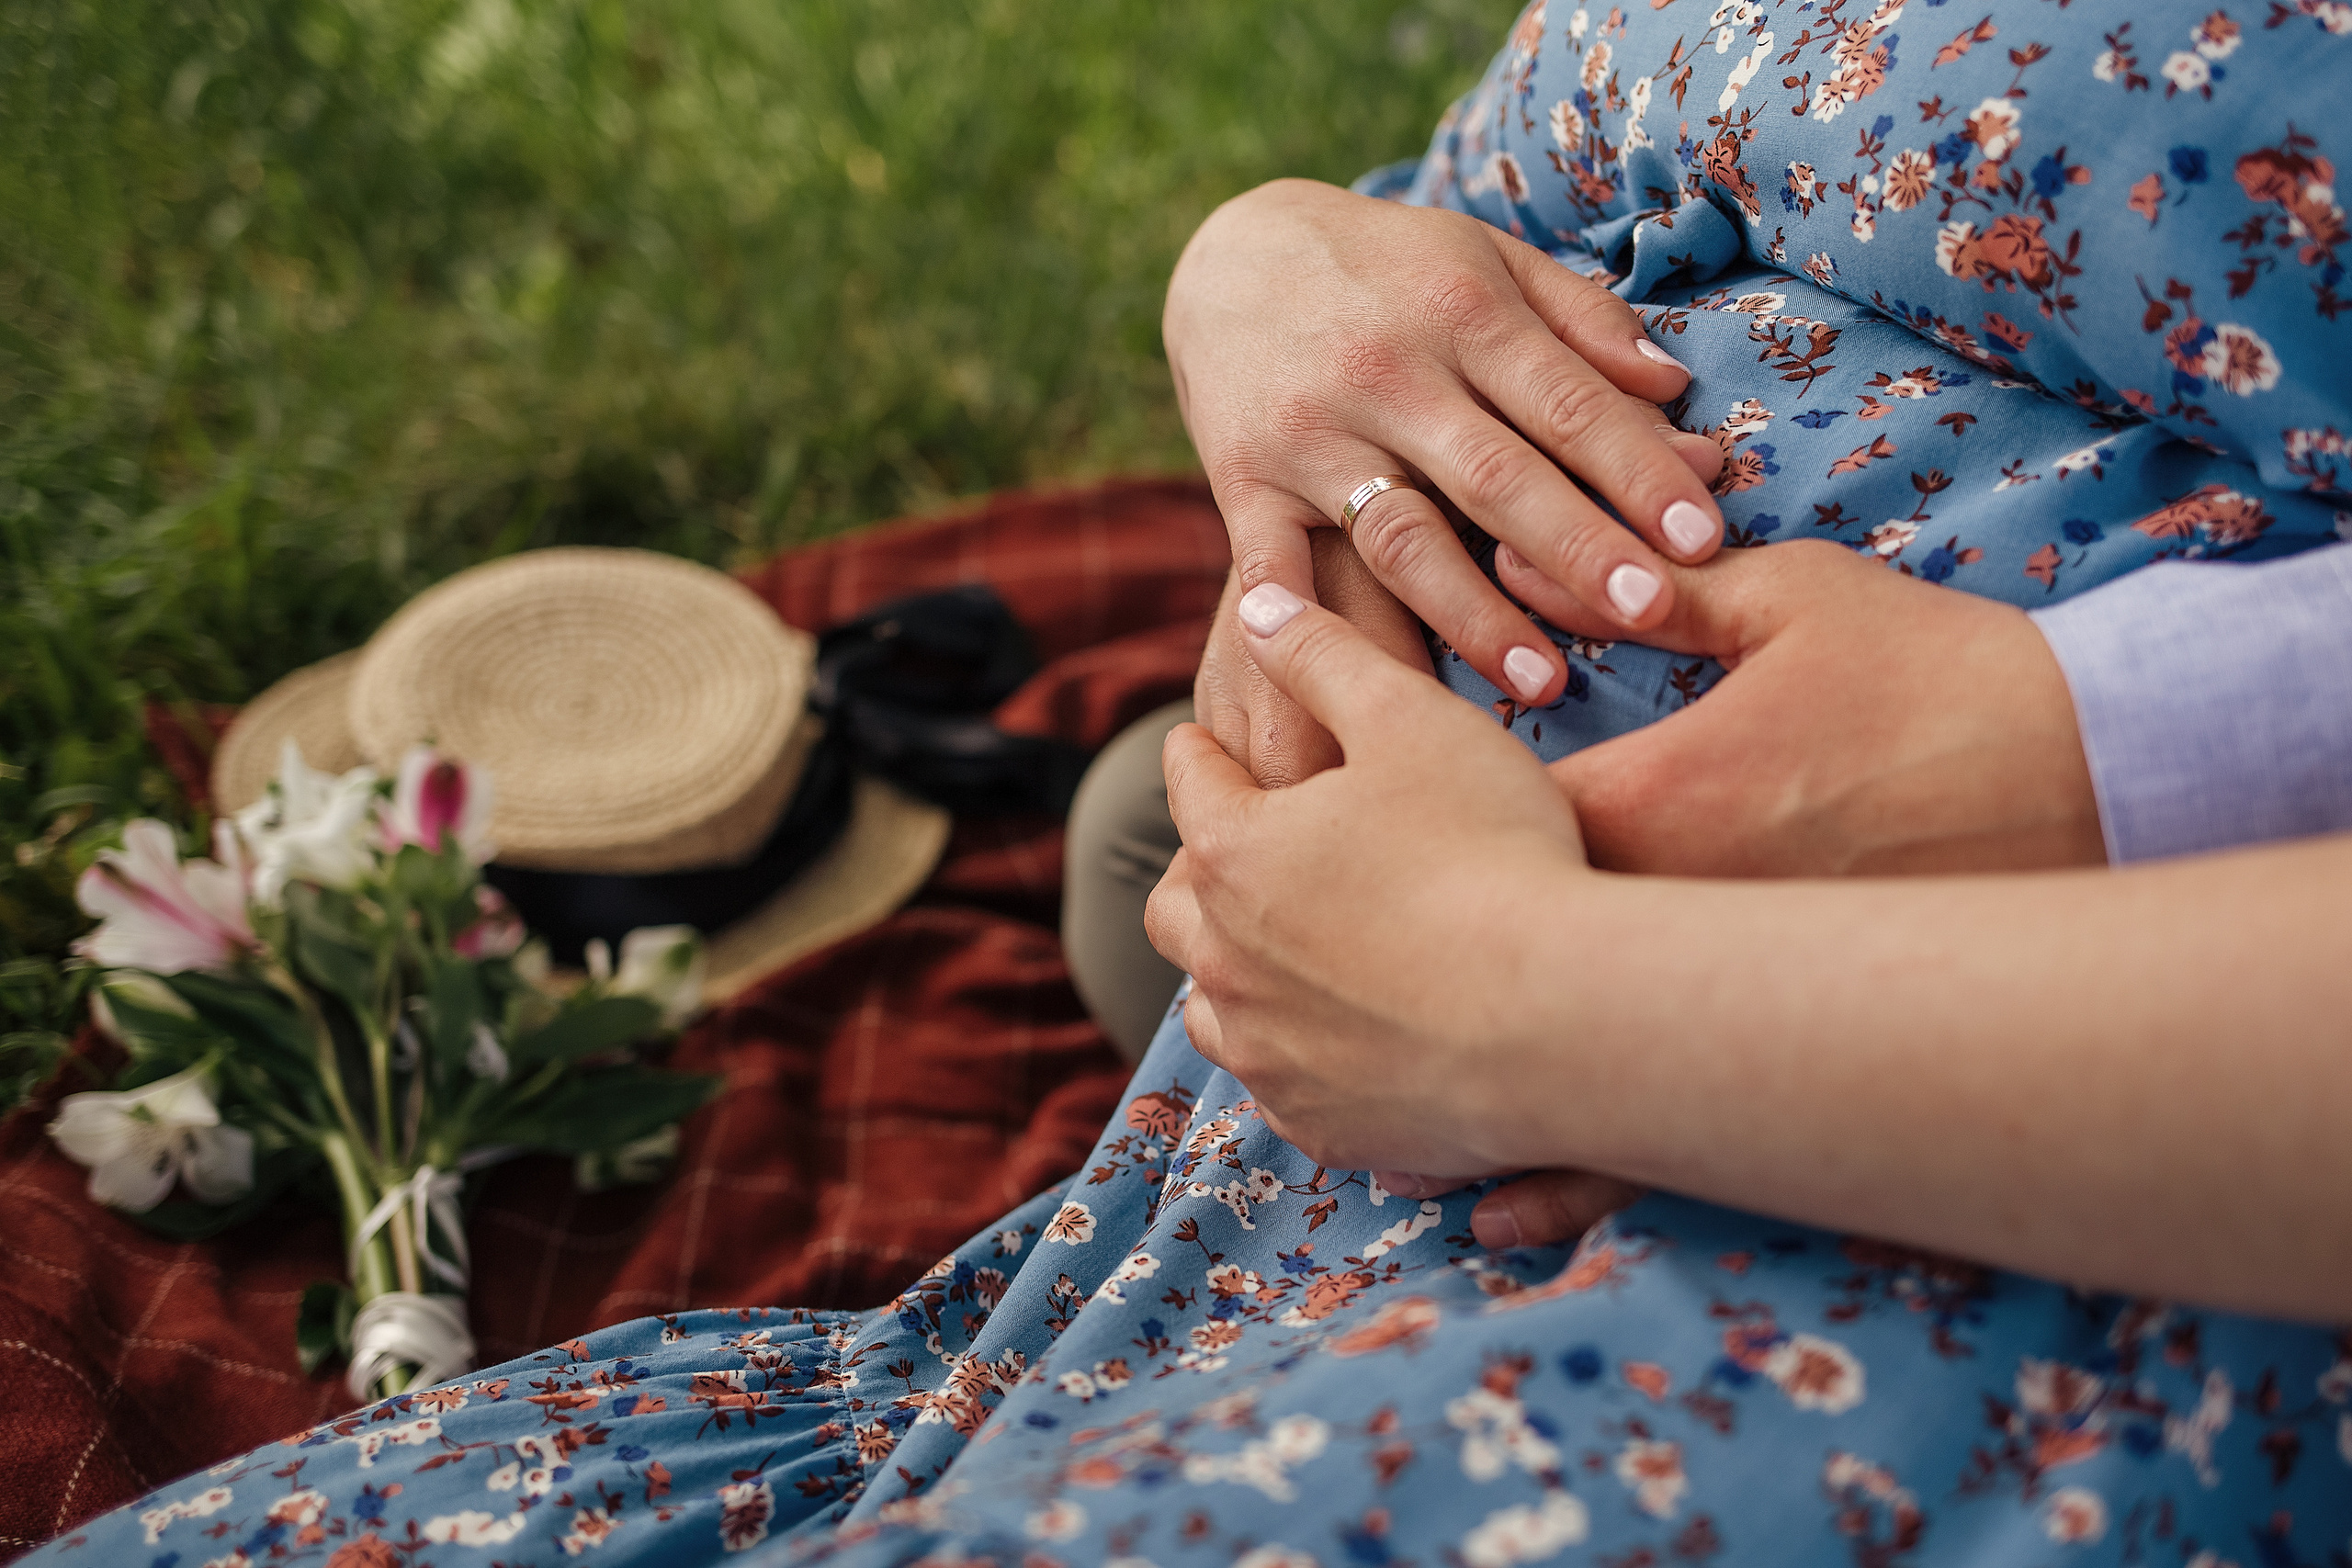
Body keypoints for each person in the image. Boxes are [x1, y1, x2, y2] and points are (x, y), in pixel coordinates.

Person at [28, 4, 2352, 1565]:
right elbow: (1515, 154)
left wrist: (1534, 986)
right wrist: (1265, 268)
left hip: (1955, 1202)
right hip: (1251, 1201)